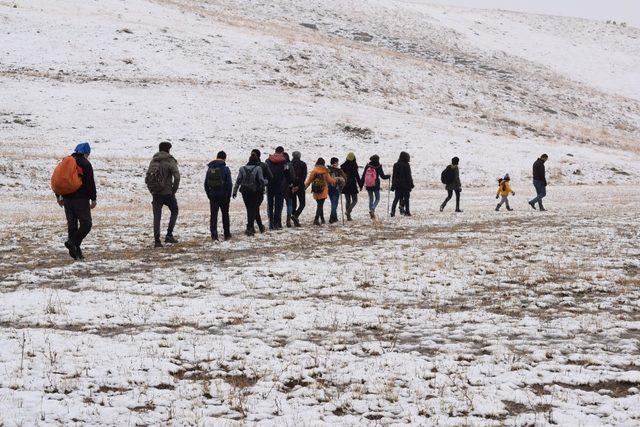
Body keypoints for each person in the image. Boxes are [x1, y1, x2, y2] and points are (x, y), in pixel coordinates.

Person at [53, 142, 97, 260]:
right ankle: (72, 243)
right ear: (86, 153)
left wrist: (58, 197)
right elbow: (90, 183)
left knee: (72, 225)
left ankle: (77, 253)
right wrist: (93, 198)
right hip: (81, 199)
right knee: (86, 224)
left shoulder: (66, 162)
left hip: (67, 199)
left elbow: (58, 180)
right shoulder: (85, 163)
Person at [146, 141, 180, 247]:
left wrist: (152, 190)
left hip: (156, 193)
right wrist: (173, 190)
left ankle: (157, 241)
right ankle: (169, 235)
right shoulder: (169, 160)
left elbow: (148, 177)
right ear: (168, 149)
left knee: (157, 216)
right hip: (167, 193)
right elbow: (177, 177)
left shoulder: (154, 160)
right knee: (174, 210)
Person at [233, 154, 267, 236]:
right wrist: (266, 182)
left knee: (250, 209)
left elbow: (238, 181)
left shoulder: (242, 168)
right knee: (254, 209)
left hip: (245, 192)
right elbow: (261, 180)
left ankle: (258, 227)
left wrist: (234, 191)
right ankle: (250, 228)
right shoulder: (258, 168)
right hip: (255, 192)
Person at [204, 151, 233, 241]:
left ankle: (214, 235)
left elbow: (205, 184)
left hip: (213, 195)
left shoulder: (210, 168)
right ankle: (227, 234)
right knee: (225, 215)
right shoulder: (226, 169)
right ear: (224, 158)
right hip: (224, 195)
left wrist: (209, 195)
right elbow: (229, 184)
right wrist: (228, 196)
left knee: (213, 216)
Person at [305, 158, 337, 225]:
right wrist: (336, 180)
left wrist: (304, 187)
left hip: (316, 190)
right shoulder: (325, 171)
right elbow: (330, 180)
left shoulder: (314, 171)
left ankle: (322, 219)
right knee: (320, 205)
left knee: (320, 204)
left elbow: (309, 180)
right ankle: (316, 219)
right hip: (323, 190)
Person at [360, 154, 390, 219]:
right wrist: (389, 176)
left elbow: (363, 175)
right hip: (376, 184)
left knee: (371, 199)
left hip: (368, 185)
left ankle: (371, 213)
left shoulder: (367, 166)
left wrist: (361, 185)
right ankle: (372, 209)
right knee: (377, 198)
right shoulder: (378, 166)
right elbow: (382, 176)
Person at [265, 146, 287, 229]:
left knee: (270, 204)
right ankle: (276, 223)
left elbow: (265, 172)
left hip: (270, 185)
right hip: (280, 185)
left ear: (275, 151)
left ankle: (270, 223)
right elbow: (287, 173)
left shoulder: (267, 160)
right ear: (282, 152)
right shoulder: (283, 161)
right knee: (278, 205)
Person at [251, 149, 272, 233]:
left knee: (253, 209)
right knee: (255, 208)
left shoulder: (248, 164)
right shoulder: (263, 165)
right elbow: (270, 176)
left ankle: (253, 226)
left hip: (248, 190)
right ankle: (257, 226)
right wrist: (265, 182)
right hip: (259, 190)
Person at [390, 151, 414, 217]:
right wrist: (411, 184)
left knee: (396, 198)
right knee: (406, 199)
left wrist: (393, 185)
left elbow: (394, 176)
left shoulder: (396, 164)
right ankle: (407, 212)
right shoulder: (406, 165)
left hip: (397, 185)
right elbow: (408, 176)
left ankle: (393, 211)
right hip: (405, 185)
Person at [340, 152, 361, 221]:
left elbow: (341, 176)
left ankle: (348, 217)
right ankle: (348, 211)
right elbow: (357, 177)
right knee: (355, 200)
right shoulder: (354, 166)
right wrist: (360, 185)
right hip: (352, 185)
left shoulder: (343, 166)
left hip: (345, 184)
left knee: (348, 200)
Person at [327, 157, 347, 223]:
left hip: (329, 188)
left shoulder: (328, 169)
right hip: (336, 188)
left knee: (333, 203)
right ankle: (332, 218)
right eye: (337, 162)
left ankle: (334, 217)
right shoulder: (339, 170)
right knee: (335, 203)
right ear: (335, 162)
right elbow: (345, 178)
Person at [290, 151, 307, 226]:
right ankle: (296, 216)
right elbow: (303, 177)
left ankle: (295, 218)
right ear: (299, 156)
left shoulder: (290, 164)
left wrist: (292, 186)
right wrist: (299, 186)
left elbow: (288, 176)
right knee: (302, 203)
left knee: (293, 205)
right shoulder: (303, 164)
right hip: (300, 187)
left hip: (291, 187)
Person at [282, 152, 298, 228]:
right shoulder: (290, 165)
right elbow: (293, 176)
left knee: (279, 204)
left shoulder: (279, 165)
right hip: (288, 187)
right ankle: (288, 220)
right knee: (289, 204)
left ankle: (277, 221)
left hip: (280, 187)